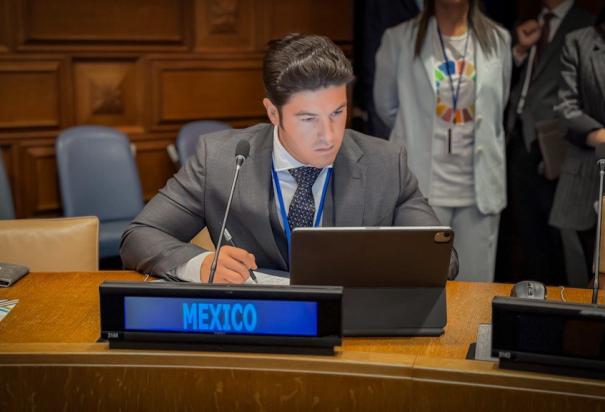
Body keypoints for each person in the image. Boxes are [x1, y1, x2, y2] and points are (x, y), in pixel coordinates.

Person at [121, 33, 456, 283]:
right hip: (256, 331)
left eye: (337, 113)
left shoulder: (385, 162)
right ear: (273, 113)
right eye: (308, 119)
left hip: (354, 333)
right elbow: (139, 236)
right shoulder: (220, 159)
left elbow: (445, 260)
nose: (329, 135)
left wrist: (372, 263)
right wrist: (201, 264)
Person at [374, 0, 511, 282]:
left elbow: (499, 104)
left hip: (479, 191)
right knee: (420, 286)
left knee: (477, 290)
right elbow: (386, 107)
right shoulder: (398, 39)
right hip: (422, 189)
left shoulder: (498, 39)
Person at [504, 0, 593, 284]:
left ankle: (566, 323)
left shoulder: (586, 23)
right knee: (529, 240)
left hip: (559, 148)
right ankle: (536, 320)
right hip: (517, 141)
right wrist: (518, 52)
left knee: (561, 246)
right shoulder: (529, 23)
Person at [550, 7, 605, 280]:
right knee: (581, 293)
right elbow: (566, 110)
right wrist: (600, 135)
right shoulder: (579, 42)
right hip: (587, 179)